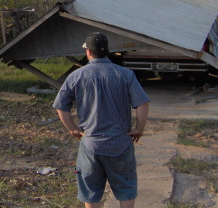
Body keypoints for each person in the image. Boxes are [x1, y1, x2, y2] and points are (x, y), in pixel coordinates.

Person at [52, 32, 150, 208]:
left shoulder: (77, 76)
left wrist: (72, 129)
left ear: (88, 52)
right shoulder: (126, 75)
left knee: (91, 194)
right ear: (107, 51)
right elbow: (142, 103)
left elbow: (61, 106)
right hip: (120, 143)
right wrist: (139, 128)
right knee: (126, 189)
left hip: (91, 145)